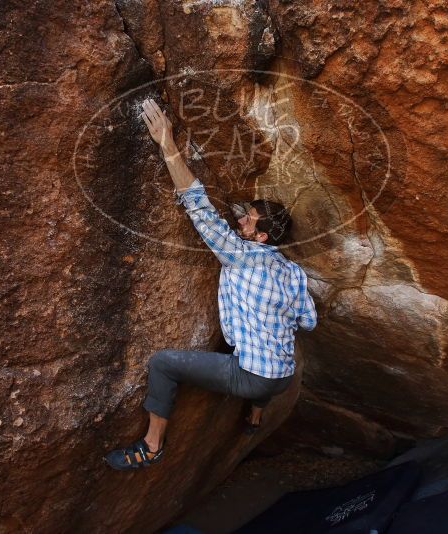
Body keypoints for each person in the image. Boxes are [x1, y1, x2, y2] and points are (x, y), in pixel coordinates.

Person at [104, 98, 317, 470]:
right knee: (273, 363)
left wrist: (167, 143)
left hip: (251, 377)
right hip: (281, 378)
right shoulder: (293, 273)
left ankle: (152, 446)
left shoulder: (239, 254)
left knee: (163, 364)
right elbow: (308, 322)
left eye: (248, 221)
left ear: (262, 237)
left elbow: (197, 205)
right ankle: (253, 420)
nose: (240, 223)